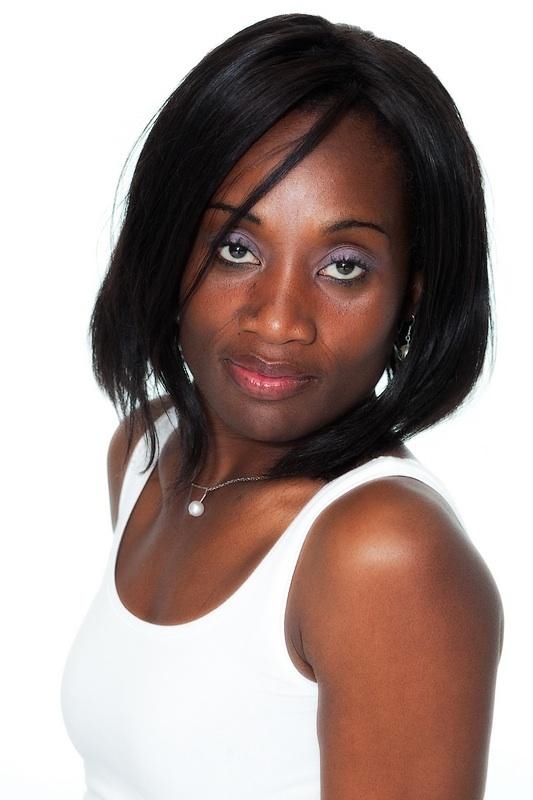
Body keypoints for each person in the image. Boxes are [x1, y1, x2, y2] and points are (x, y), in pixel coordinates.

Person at [61, 13, 503, 799]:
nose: (277, 320)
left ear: (410, 295)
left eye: (343, 266)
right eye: (236, 248)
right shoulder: (146, 452)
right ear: (169, 247)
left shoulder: (382, 552)